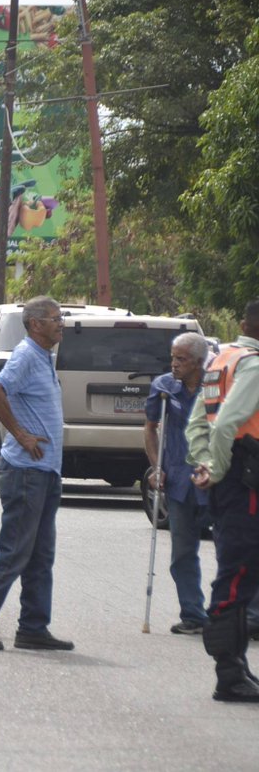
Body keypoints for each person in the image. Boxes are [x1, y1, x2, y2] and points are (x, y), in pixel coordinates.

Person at [0, 297, 74, 652]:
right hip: (26, 471)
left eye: (61, 318)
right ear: (35, 324)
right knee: (14, 552)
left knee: (40, 555)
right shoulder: (25, 355)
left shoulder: (43, 357)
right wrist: (20, 434)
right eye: (55, 319)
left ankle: (33, 627)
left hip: (45, 470)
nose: (61, 324)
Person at [187, 299, 259, 702]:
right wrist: (216, 468)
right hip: (243, 481)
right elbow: (228, 422)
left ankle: (237, 670)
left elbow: (199, 422)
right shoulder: (252, 364)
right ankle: (229, 674)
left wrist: (204, 464)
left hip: (229, 480)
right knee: (237, 576)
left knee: (240, 575)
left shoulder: (222, 359)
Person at [144, 332, 211, 635]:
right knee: (183, 552)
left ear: (198, 362)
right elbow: (150, 427)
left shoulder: (217, 385)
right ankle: (193, 615)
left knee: (233, 550)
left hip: (216, 481)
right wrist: (156, 466)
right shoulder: (163, 387)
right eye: (173, 357)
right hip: (179, 481)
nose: (174, 364)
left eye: (181, 359)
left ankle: (241, 615)